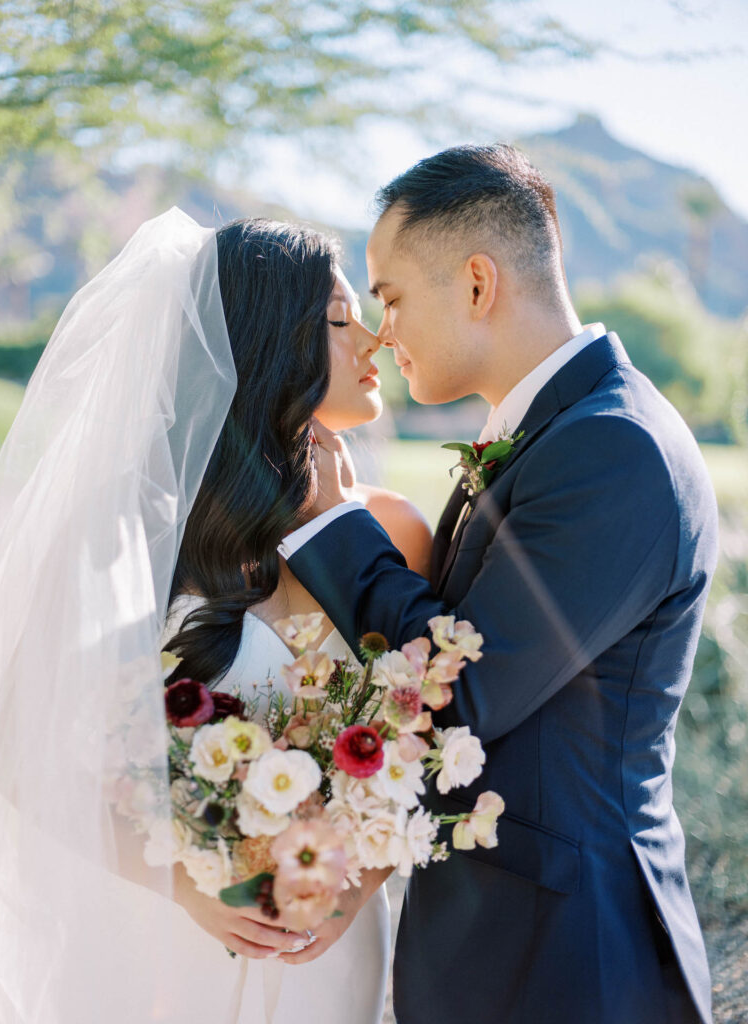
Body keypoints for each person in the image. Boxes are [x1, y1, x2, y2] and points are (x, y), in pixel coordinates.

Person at [280, 145, 718, 1024]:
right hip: (511, 938)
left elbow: (466, 689)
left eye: (393, 298)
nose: (381, 332)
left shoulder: (614, 448)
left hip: (575, 958)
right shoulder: (562, 432)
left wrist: (332, 528)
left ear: (477, 283)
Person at [0, 209, 429, 1024]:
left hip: (323, 952)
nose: (372, 345)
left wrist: (352, 889)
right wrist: (186, 886)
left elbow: (430, 738)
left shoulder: (397, 533)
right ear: (265, 342)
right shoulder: (128, 528)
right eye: (339, 320)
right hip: (156, 942)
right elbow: (12, 741)